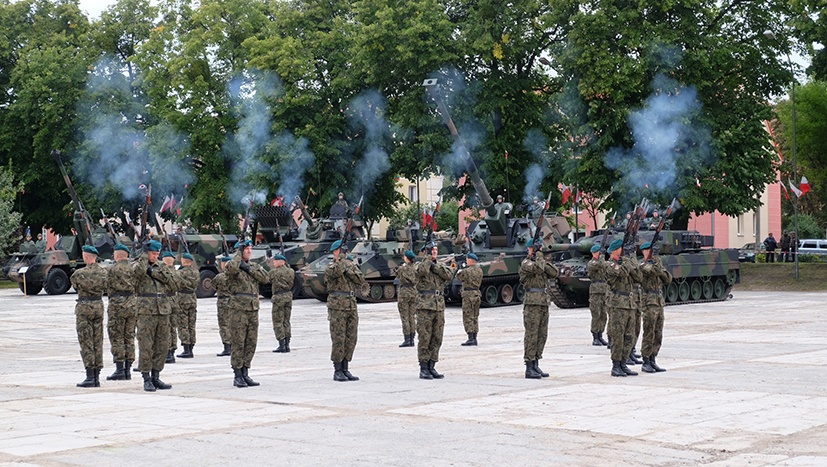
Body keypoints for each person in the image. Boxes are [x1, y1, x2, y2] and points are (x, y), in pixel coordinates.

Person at [133, 240, 177, 392]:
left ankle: (156, 376)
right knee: (146, 345)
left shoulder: (162, 266)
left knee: (162, 345)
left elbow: (173, 282)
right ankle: (146, 377)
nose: (155, 256)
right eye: (153, 253)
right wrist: (144, 259)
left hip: (162, 309)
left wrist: (152, 272)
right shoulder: (139, 265)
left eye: (157, 254)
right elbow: (136, 274)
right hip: (146, 310)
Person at [226, 239, 270, 387]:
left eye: (250, 249)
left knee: (251, 342)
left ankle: (246, 372)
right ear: (240, 251)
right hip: (238, 310)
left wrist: (248, 268)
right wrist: (239, 258)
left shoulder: (253, 266)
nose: (249, 251)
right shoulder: (234, 265)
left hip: (252, 309)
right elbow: (230, 269)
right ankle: (237, 374)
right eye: (246, 249)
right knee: (238, 341)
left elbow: (265, 278)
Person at [324, 239, 366, 381]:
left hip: (351, 305)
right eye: (340, 252)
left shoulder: (349, 265)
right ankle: (337, 369)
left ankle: (346, 368)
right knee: (338, 338)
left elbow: (360, 280)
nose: (343, 254)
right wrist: (342, 262)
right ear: (336, 252)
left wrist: (348, 268)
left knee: (351, 338)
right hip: (337, 306)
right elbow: (335, 273)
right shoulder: (331, 266)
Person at [518, 238, 559, 379]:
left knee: (542, 334)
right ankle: (529, 366)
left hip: (543, 303)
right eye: (536, 249)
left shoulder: (541, 262)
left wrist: (542, 258)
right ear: (529, 249)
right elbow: (538, 268)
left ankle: (536, 363)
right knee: (532, 334)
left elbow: (554, 272)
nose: (538, 251)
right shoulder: (526, 263)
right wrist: (538, 257)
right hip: (532, 304)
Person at [70, 245, 108, 387]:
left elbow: (75, 286)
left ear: (85, 256)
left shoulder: (79, 274)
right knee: (98, 339)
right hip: (98, 305)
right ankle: (97, 375)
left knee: (86, 340)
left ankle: (90, 375)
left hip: (85, 306)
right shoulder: (104, 272)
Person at [415, 241, 453, 379]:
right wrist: (427, 261)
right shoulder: (419, 265)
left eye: (436, 249)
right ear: (426, 251)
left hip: (439, 306)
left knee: (437, 337)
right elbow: (421, 272)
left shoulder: (440, 265)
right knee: (425, 337)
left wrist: (434, 266)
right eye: (432, 250)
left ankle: (432, 365)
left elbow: (449, 275)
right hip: (425, 306)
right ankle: (423, 367)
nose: (435, 252)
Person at [605, 239, 642, 377]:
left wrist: (630, 259)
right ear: (615, 250)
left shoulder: (624, 262)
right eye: (621, 249)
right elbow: (624, 272)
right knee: (618, 336)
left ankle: (623, 363)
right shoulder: (609, 265)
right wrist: (626, 259)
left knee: (629, 336)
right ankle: (616, 365)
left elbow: (638, 276)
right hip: (618, 304)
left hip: (629, 303)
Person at [638, 241, 672, 373]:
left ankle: (653, 358)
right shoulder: (642, 265)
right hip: (648, 302)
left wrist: (657, 263)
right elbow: (652, 271)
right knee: (649, 331)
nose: (649, 253)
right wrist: (655, 263)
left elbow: (668, 279)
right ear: (644, 252)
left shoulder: (656, 263)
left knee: (658, 333)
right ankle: (646, 360)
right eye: (648, 251)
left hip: (659, 301)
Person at [104, 244, 136, 381]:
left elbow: (105, 286)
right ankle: (128, 369)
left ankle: (119, 368)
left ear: (116, 256)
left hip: (117, 305)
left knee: (117, 336)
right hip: (132, 303)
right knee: (129, 336)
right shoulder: (134, 269)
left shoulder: (111, 270)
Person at [268, 253, 295, 353]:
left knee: (278, 321)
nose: (273, 263)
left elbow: (267, 279)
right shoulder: (291, 271)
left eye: (275, 261)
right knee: (286, 321)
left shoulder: (274, 272)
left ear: (280, 262)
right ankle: (287, 344)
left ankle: (281, 344)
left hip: (278, 297)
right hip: (288, 296)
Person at [175, 253, 200, 359]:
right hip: (192, 298)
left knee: (183, 324)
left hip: (182, 298)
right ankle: (191, 347)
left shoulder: (180, 273)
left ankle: (186, 348)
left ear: (184, 261)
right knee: (191, 324)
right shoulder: (196, 272)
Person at [457, 252, 483, 346]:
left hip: (468, 295)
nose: (466, 261)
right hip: (476, 293)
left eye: (467, 259)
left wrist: (461, 269)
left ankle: (470, 337)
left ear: (471, 260)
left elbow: (458, 277)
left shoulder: (466, 271)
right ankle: (475, 337)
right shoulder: (480, 270)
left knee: (468, 316)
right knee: (475, 316)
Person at [587, 244, 609, 346]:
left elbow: (605, 266)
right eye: (597, 253)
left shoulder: (602, 262)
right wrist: (602, 256)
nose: (599, 254)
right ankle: (595, 337)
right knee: (596, 314)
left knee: (603, 315)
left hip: (604, 291)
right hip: (595, 292)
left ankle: (600, 335)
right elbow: (600, 265)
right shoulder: (592, 263)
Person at [395, 249, 418, 348]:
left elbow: (397, 274)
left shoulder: (402, 269)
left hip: (404, 293)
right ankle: (412, 338)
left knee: (405, 317)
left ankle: (407, 339)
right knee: (412, 316)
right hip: (413, 292)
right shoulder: (416, 268)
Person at [161, 251, 180, 364]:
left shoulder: (163, 273)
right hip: (174, 299)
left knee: (166, 328)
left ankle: (167, 351)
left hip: (165, 300)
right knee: (173, 327)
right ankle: (172, 351)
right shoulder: (177, 273)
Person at [213, 256, 233, 356]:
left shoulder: (220, 277)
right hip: (233, 301)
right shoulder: (235, 276)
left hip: (223, 302)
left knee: (224, 324)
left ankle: (227, 346)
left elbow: (213, 286)